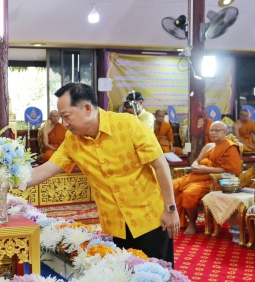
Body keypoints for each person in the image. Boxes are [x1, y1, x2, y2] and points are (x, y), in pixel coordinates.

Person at [29, 83, 179, 265]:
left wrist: (170, 209)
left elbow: (160, 164)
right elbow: (46, 169)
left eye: (66, 116)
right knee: (124, 273)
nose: (64, 124)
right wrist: (8, 180)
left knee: (157, 273)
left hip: (151, 218)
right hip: (116, 224)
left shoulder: (128, 124)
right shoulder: (72, 140)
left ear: (87, 109)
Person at [173, 121, 242, 235]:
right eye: (211, 130)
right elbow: (197, 160)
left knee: (189, 193)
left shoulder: (229, 147)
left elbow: (231, 170)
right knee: (171, 186)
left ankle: (192, 223)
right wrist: (194, 165)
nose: (213, 133)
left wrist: (206, 170)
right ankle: (172, 218)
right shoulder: (208, 146)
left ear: (225, 132)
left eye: (217, 130)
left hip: (216, 180)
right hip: (197, 176)